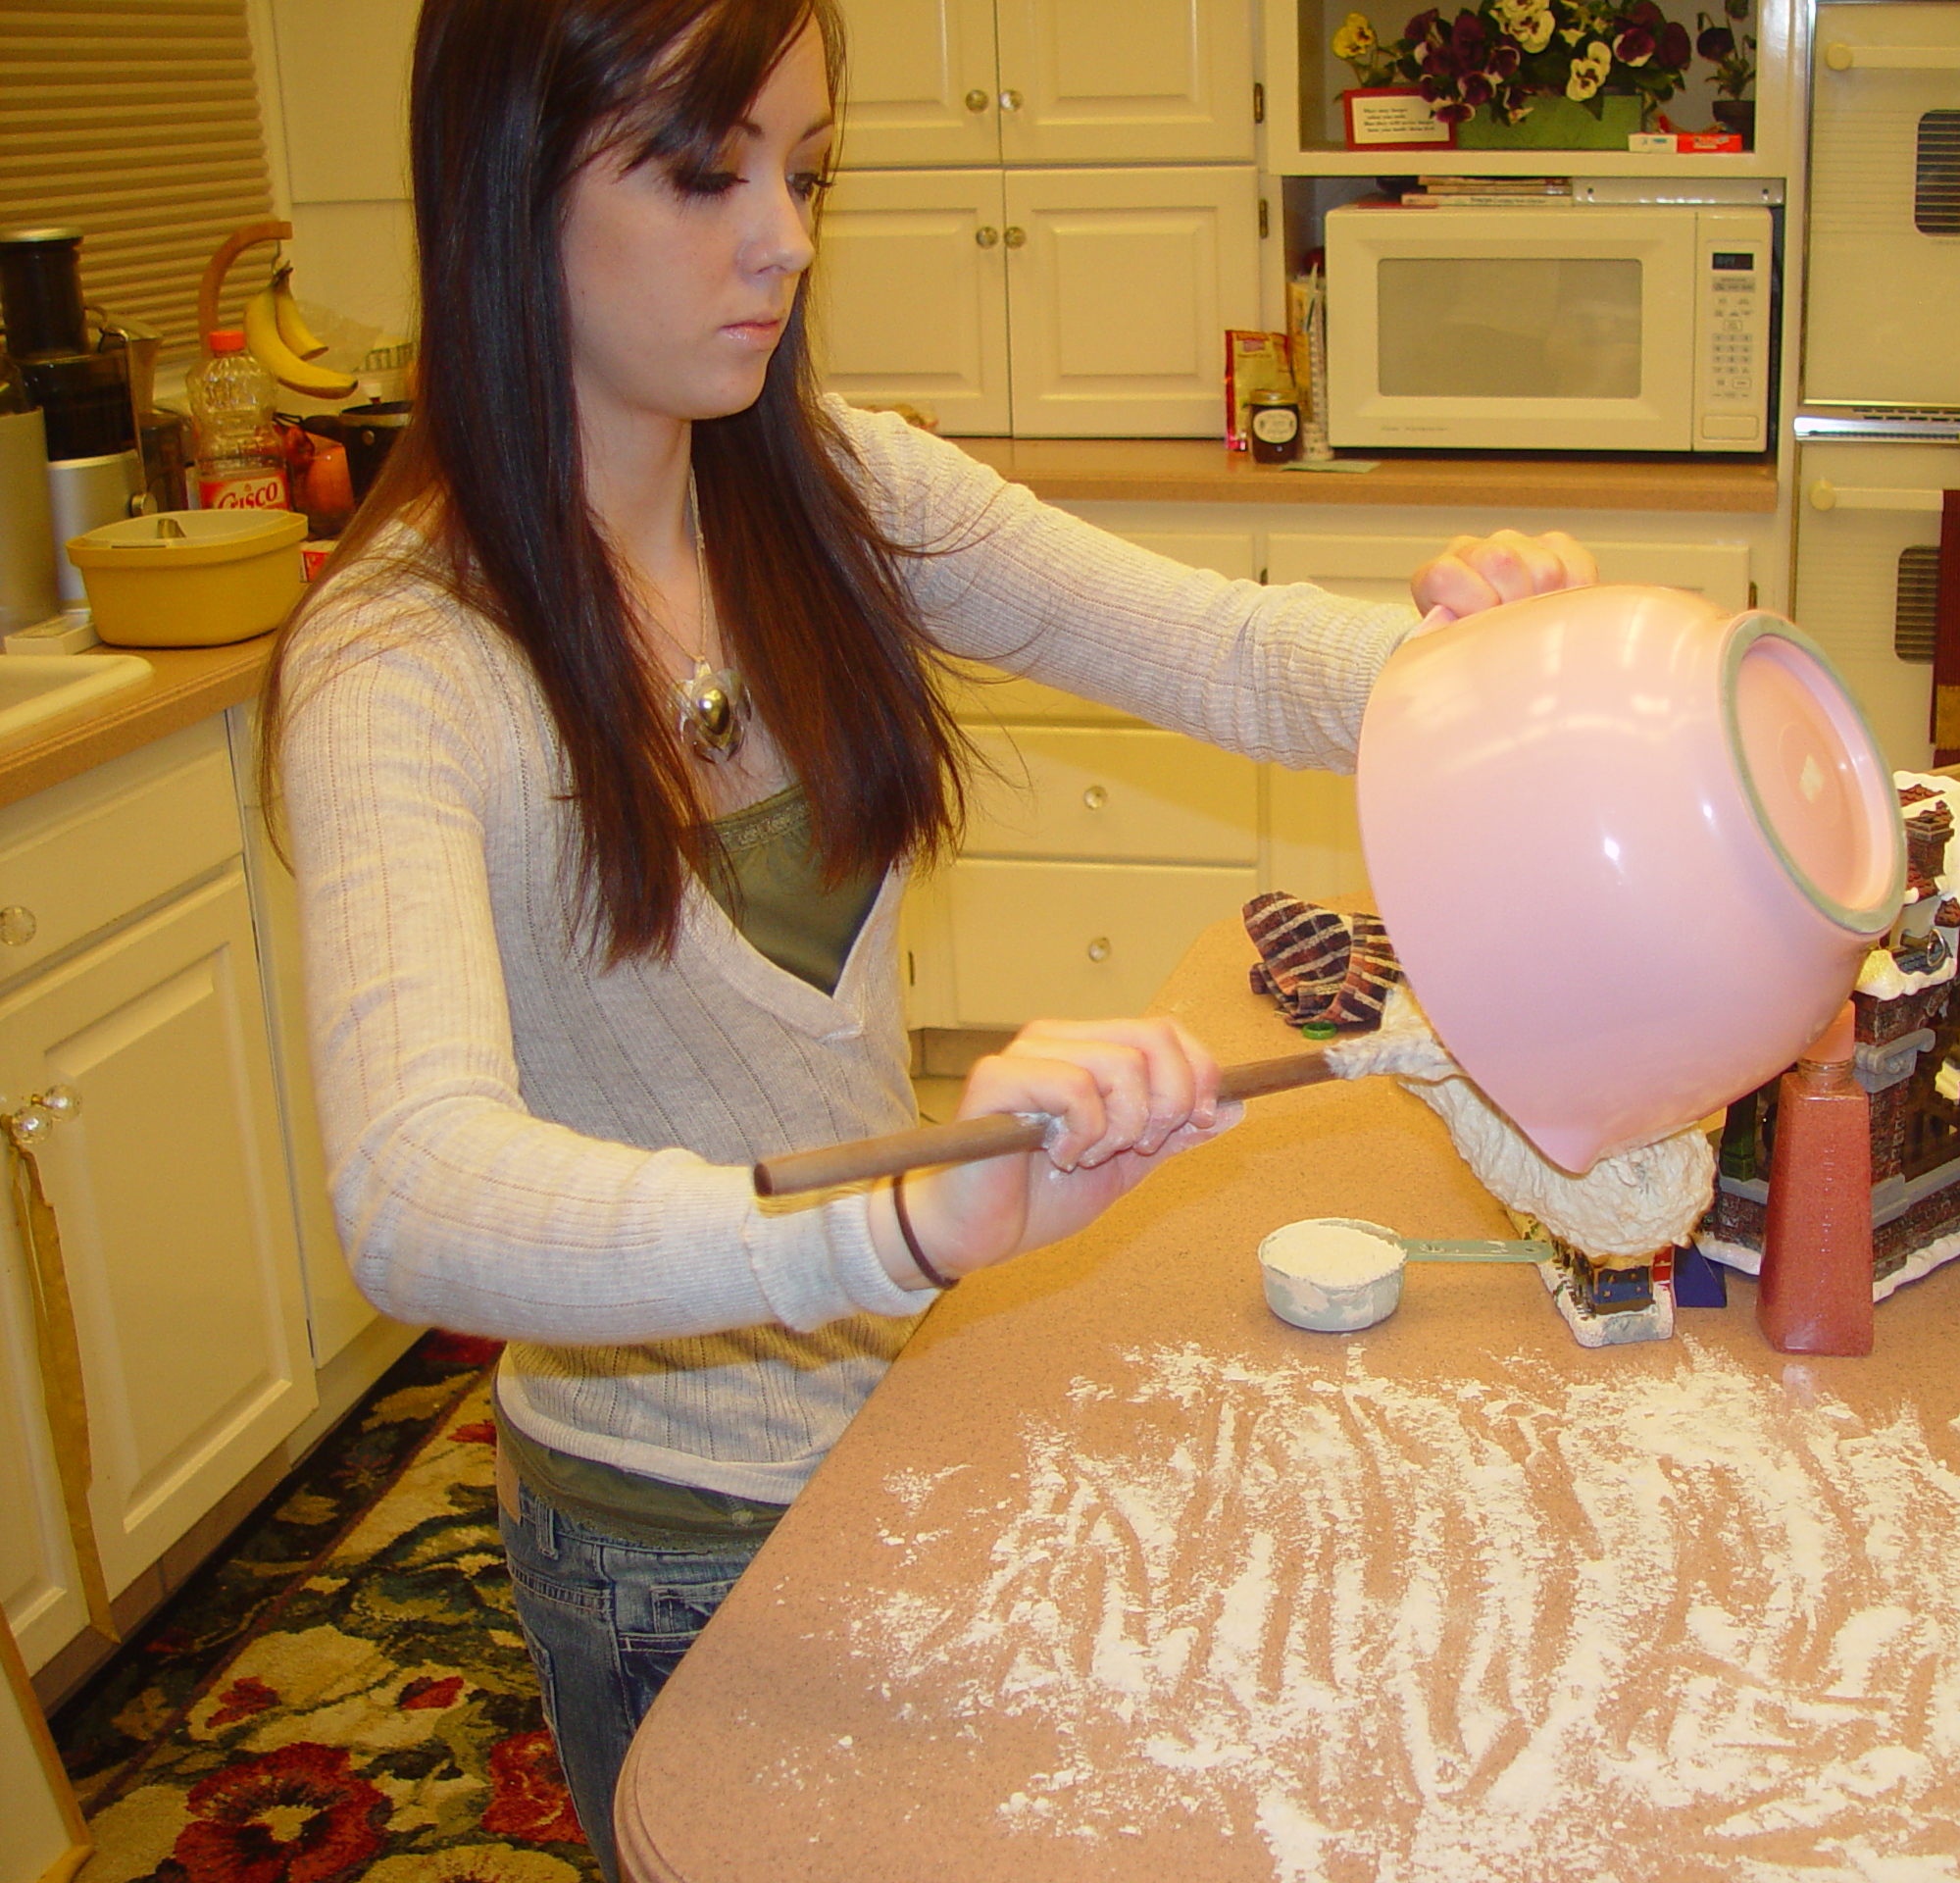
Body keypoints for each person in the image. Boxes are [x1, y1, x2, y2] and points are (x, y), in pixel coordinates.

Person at [262, 0, 1595, 1871]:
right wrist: (888, 1222)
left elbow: (1216, 646)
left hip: (904, 1416)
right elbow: (415, 1188)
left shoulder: (834, 494)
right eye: (705, 169)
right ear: (505, 186)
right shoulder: (406, 670)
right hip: (669, 1527)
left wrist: (1495, 663)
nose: (785, 239)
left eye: (805, 174)